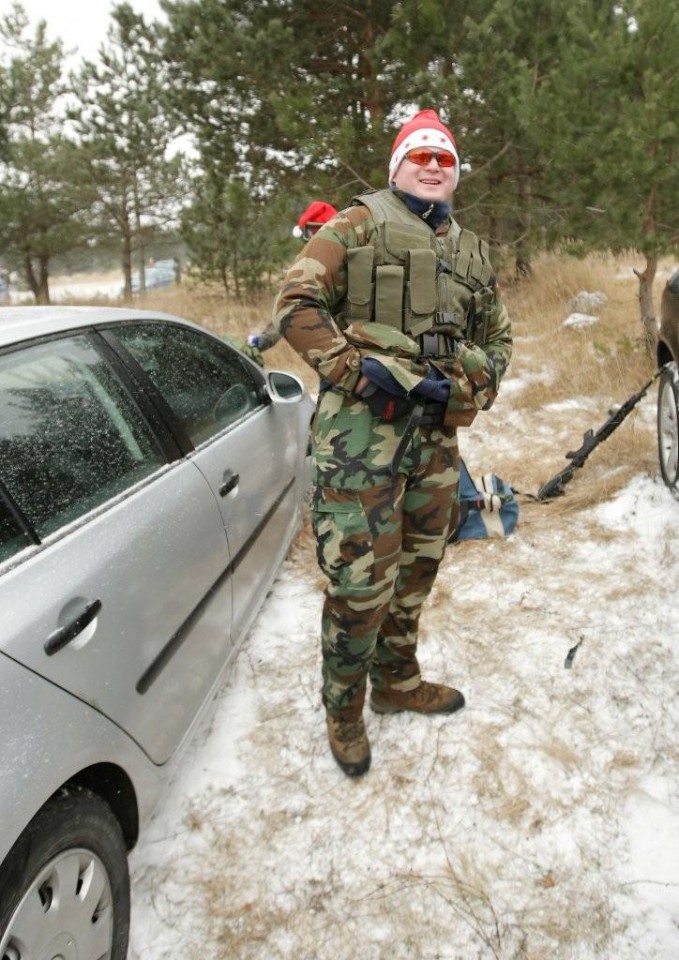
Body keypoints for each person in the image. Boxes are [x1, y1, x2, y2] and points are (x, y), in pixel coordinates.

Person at [272, 109, 513, 777]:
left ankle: (397, 682)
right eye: (420, 156)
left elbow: (499, 340)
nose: (433, 165)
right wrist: (357, 373)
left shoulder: (469, 250)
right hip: (360, 441)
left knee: (417, 571)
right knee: (359, 584)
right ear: (397, 166)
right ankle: (343, 711)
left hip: (435, 441)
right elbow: (295, 303)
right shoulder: (356, 224)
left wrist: (466, 387)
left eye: (444, 158)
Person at [246, 201, 339, 358]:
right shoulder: (306, 264)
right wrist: (262, 341)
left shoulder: (353, 258)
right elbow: (289, 306)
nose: (318, 237)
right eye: (313, 231)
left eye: (323, 230)